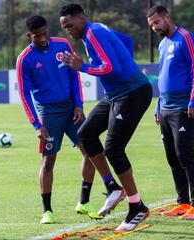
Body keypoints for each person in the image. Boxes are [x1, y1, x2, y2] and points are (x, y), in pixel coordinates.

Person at [16, 15, 125, 224]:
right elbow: (23, 93)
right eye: (37, 36)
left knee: (90, 150)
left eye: (44, 33)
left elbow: (74, 76)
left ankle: (84, 201)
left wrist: (78, 105)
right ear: (29, 35)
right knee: (49, 160)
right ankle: (47, 210)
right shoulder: (25, 58)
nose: (42, 38)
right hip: (48, 113)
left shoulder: (62, 44)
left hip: (71, 109)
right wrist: (36, 125)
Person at [59, 3, 152, 232]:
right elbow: (127, 41)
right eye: (64, 27)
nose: (68, 30)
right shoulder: (96, 29)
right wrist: (127, 64)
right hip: (116, 95)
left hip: (132, 94)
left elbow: (111, 68)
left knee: (113, 149)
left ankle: (136, 206)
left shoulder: (94, 34)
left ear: (81, 18)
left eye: (70, 25)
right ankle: (112, 187)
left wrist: (83, 67)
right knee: (85, 134)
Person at [147, 5, 194, 220]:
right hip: (165, 109)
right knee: (172, 157)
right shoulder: (163, 44)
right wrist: (158, 107)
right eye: (151, 25)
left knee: (184, 155)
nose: (154, 27)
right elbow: (162, 77)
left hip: (184, 108)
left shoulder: (186, 37)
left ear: (167, 17)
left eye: (157, 23)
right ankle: (182, 202)